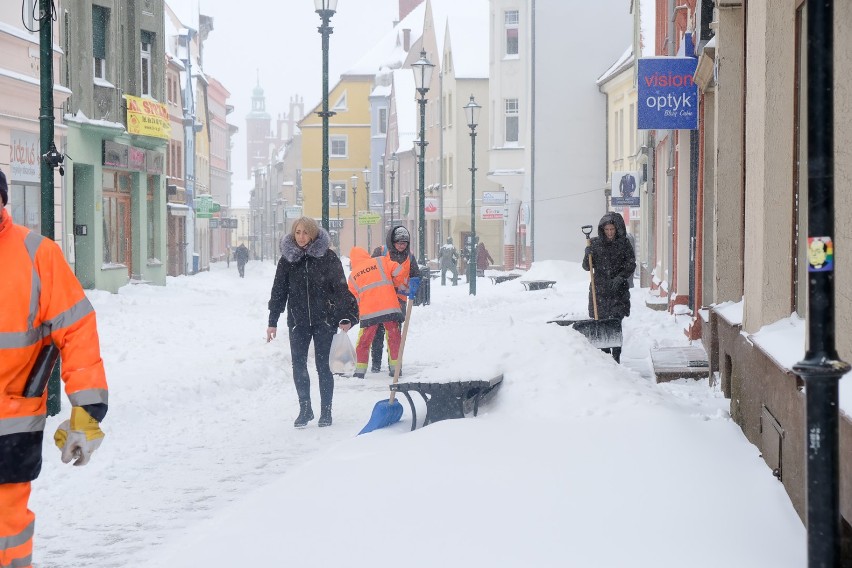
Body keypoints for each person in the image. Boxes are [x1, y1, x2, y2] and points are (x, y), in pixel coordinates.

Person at [0, 168, 109, 568]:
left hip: (7, 425)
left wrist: (87, 410)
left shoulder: (36, 254)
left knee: (6, 531)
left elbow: (77, 330)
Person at [266, 217, 358, 428]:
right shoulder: (287, 260)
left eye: (305, 232)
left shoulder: (327, 257)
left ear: (313, 234)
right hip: (298, 321)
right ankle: (305, 408)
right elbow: (278, 291)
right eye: (297, 232)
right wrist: (273, 321)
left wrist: (347, 316)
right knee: (298, 365)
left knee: (323, 366)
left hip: (324, 320)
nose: (301, 237)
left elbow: (341, 289)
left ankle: (326, 411)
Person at [581, 211, 635, 363]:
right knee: (601, 323)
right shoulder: (594, 243)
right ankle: (605, 357)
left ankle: (616, 355)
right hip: (600, 291)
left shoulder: (624, 244)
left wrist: (621, 277)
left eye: (612, 229)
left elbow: (631, 264)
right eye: (607, 230)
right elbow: (586, 267)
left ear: (617, 229)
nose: (610, 232)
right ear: (602, 230)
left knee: (615, 323)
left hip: (618, 291)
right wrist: (587, 254)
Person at [347, 246, 408, 378]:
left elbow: (356, 298)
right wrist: (395, 285)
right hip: (389, 307)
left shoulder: (352, 277)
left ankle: (360, 371)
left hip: (369, 312)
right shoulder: (380, 261)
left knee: (364, 341)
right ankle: (395, 369)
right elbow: (399, 270)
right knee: (394, 338)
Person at [370, 226, 420, 373]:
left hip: (398, 299)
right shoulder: (380, 252)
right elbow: (371, 270)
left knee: (394, 333)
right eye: (398, 242)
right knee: (377, 331)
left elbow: (414, 273)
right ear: (392, 241)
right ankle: (376, 363)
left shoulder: (409, 257)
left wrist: (415, 282)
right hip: (380, 298)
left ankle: (395, 367)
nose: (401, 245)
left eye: (404, 242)